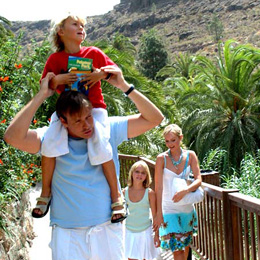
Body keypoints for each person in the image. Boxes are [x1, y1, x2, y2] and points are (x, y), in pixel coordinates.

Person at [4, 66, 164, 260]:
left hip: (107, 228)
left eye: (88, 117)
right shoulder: (50, 138)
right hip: (67, 232)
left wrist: (123, 85)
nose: (87, 125)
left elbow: (155, 118)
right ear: (63, 121)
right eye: (78, 121)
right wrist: (42, 95)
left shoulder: (107, 129)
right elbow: (12, 137)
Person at [32, 13, 122, 222]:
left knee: (101, 143)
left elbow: (116, 72)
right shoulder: (55, 60)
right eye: (75, 24)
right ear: (61, 32)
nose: (81, 27)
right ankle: (46, 193)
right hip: (67, 112)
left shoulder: (94, 53)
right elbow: (44, 85)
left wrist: (100, 74)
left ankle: (116, 197)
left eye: (82, 25)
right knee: (49, 143)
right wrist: (58, 80)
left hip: (95, 110)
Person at [153, 124, 202, 260]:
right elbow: (158, 188)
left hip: (186, 208)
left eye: (173, 140)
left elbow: (198, 180)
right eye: (167, 141)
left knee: (185, 246)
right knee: (177, 250)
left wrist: (185, 191)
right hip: (168, 209)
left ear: (180, 138)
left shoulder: (190, 155)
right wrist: (158, 213)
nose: (170, 144)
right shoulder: (161, 159)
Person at [123, 160, 160, 260]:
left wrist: (157, 235)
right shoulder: (124, 192)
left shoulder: (150, 193)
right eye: (137, 171)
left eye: (143, 172)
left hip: (145, 232)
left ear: (146, 176)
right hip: (129, 232)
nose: (140, 175)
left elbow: (155, 216)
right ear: (132, 173)